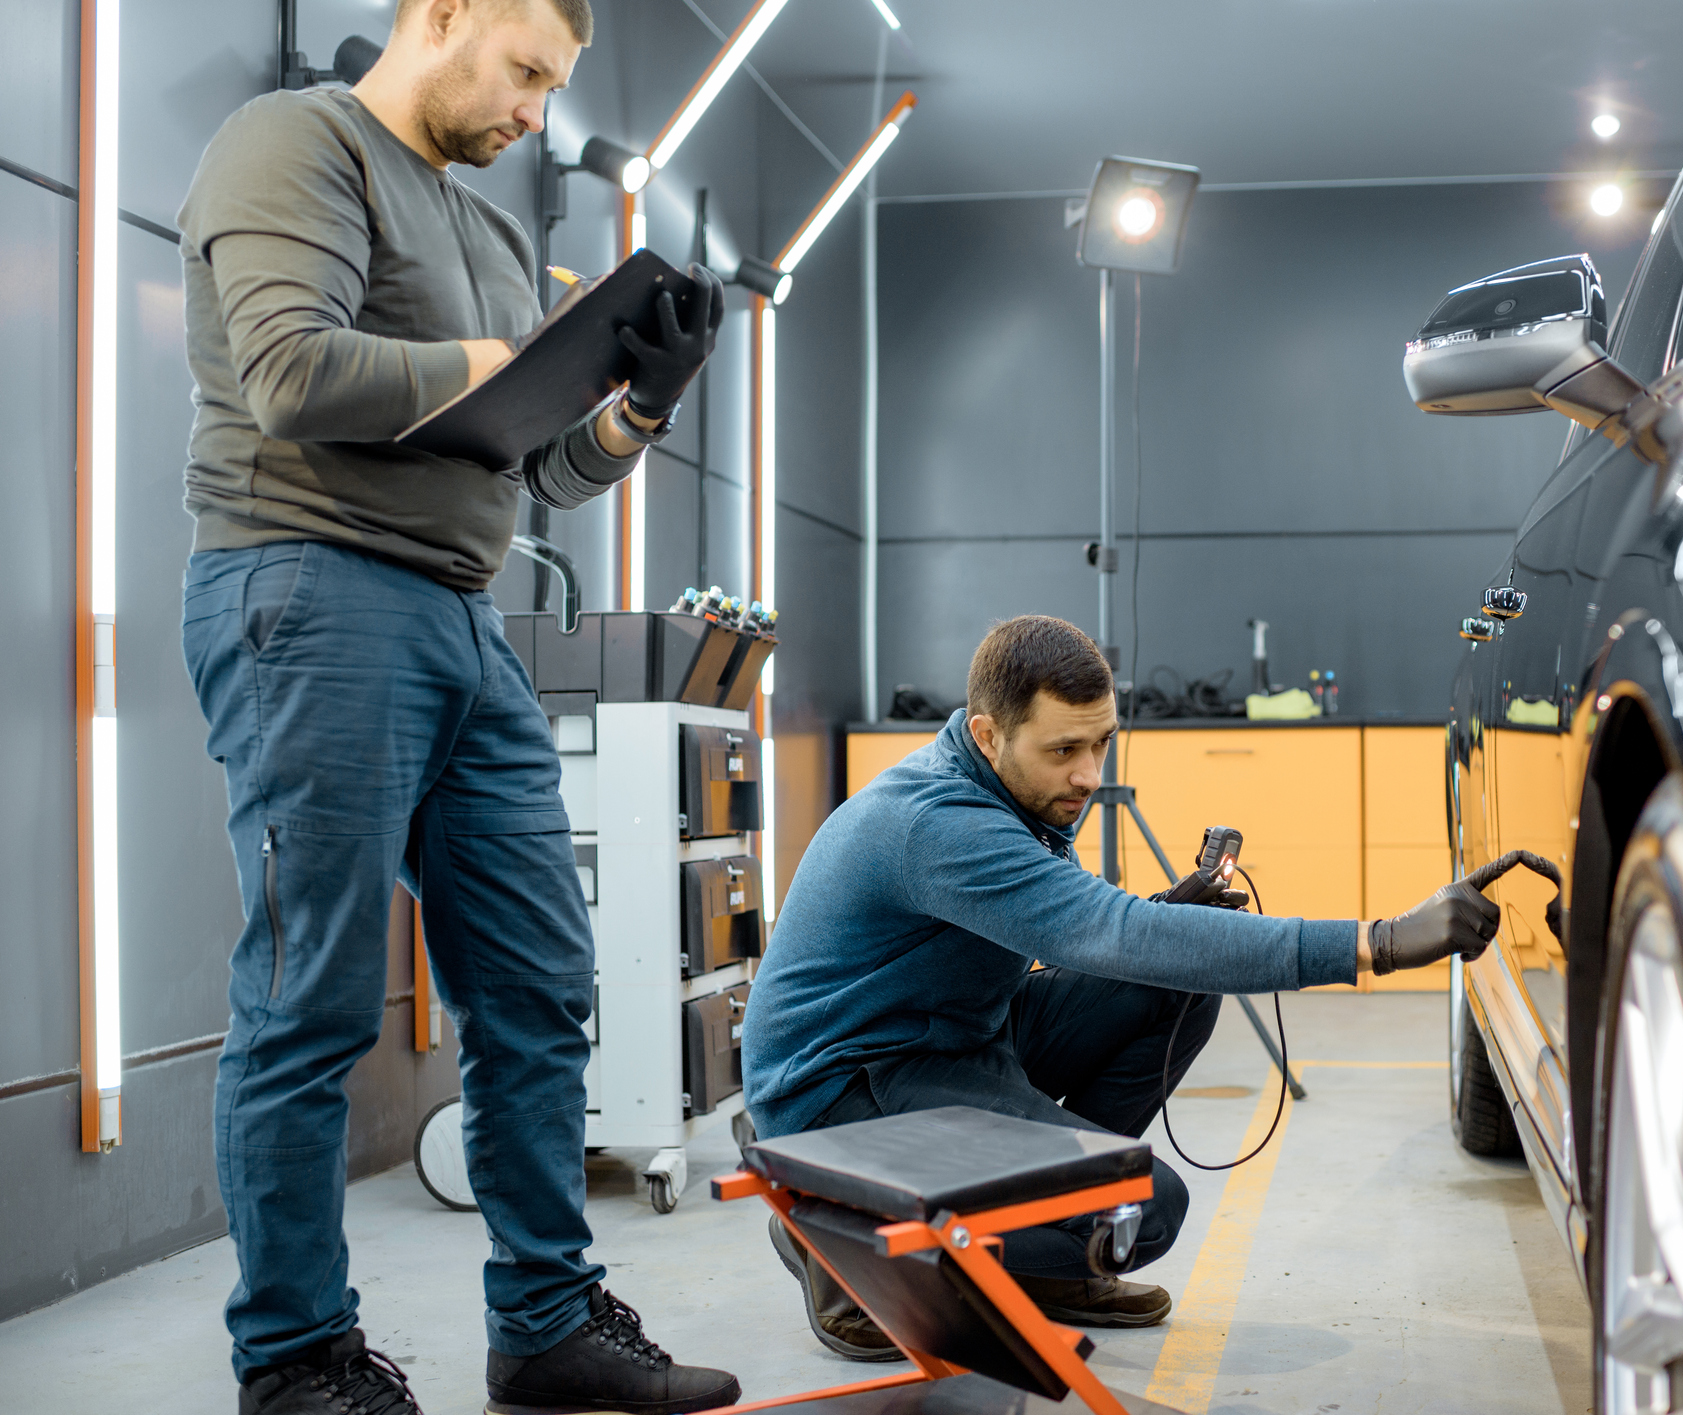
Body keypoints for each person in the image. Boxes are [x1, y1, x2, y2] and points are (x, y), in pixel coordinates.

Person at [175, 0, 739, 1411]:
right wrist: (502, 368)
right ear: (444, 18)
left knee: (545, 980)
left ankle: (544, 1323)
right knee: (309, 1000)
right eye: (529, 70)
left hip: (462, 615)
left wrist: (635, 406)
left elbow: (531, 474)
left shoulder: (488, 237)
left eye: (556, 86)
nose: (536, 112)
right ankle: (295, 1356)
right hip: (306, 583)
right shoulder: (294, 144)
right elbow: (290, 371)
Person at [743, 615, 1543, 1360]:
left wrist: (1163, 914)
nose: (1088, 774)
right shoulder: (938, 824)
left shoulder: (1004, 782)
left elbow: (1097, 933)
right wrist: (1381, 942)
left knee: (1174, 986)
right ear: (989, 734)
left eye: (1102, 744)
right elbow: (1110, 932)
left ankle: (1049, 1247)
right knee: (1144, 1208)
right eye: (1064, 751)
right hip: (843, 1091)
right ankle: (835, 1231)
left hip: (951, 1035)